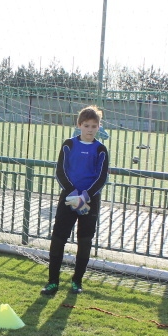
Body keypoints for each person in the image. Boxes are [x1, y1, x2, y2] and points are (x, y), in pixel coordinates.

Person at [41, 105, 110, 296]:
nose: (89, 129)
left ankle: (76, 281)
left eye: (93, 126)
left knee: (85, 241)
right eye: (86, 125)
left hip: (90, 200)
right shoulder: (68, 144)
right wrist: (73, 194)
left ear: (99, 127)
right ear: (79, 125)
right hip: (69, 197)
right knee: (58, 239)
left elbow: (102, 177)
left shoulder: (101, 149)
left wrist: (85, 196)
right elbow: (60, 171)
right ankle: (52, 282)